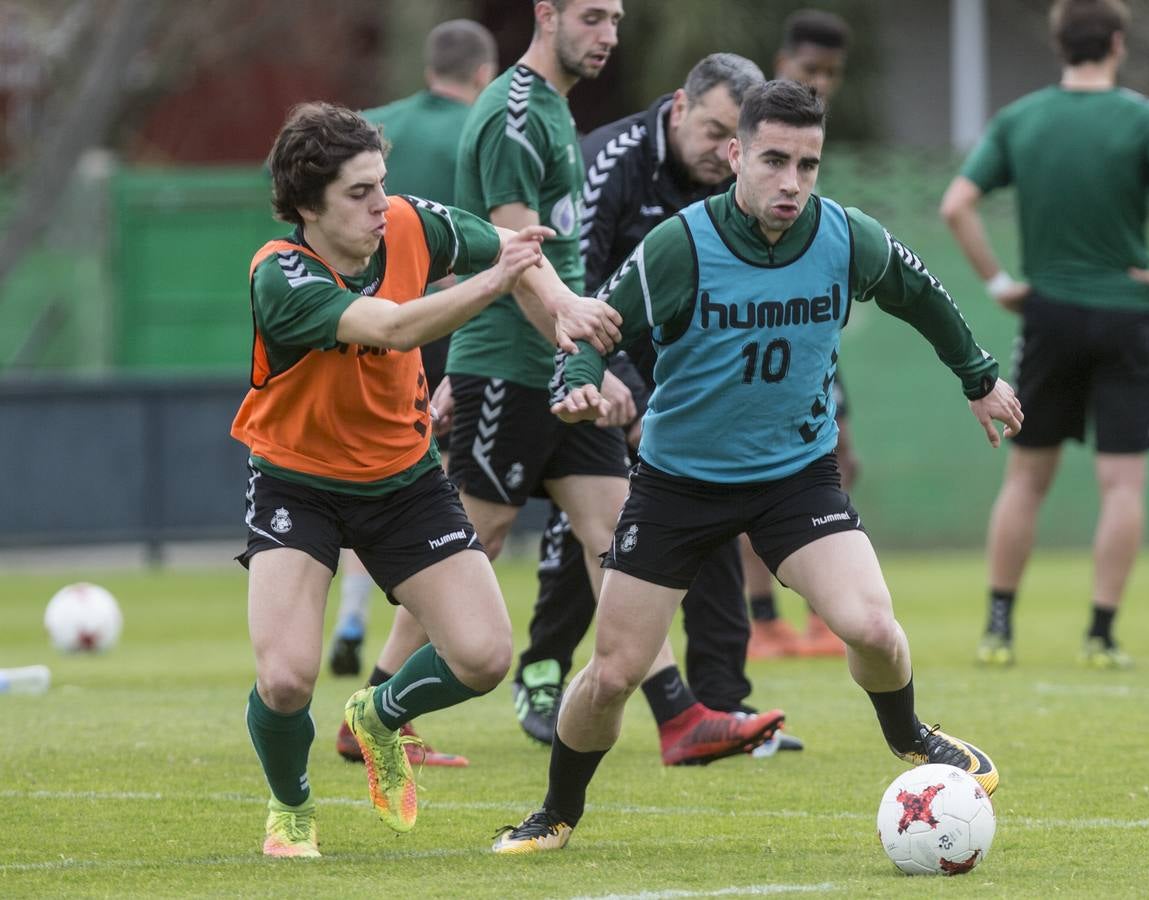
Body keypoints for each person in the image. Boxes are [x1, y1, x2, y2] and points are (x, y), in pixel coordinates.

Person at [492, 79, 1021, 854]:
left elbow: (919, 293)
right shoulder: (682, 243)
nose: (791, 182)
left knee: (873, 626)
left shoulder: (844, 235)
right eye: (773, 160)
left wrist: (980, 378)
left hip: (794, 480)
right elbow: (594, 328)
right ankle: (556, 812)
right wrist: (575, 385)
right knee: (612, 675)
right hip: (677, 484)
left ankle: (909, 734)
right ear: (735, 155)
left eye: (807, 164)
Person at [233, 100, 617, 858]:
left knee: (482, 657)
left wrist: (563, 304)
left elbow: (514, 245)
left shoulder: (408, 222)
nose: (382, 205)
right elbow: (392, 326)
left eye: (382, 183)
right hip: (296, 482)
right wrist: (497, 284)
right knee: (284, 681)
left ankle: (378, 713)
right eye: (358, 192)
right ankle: (292, 807)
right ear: (308, 206)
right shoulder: (280, 275)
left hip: (402, 480)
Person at [508, 53, 794, 764]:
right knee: (600, 528)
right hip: (587, 359)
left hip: (688, 384)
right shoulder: (609, 164)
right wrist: (614, 378)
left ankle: (725, 701)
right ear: (677, 106)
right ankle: (542, 672)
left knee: (719, 515)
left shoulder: (745, 182)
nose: (721, 151)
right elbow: (579, 279)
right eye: (712, 130)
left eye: (738, 139)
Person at [940, 0, 1149, 669]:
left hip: (1049, 315)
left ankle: (999, 629)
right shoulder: (1147, 120)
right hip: (1129, 315)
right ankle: (1100, 634)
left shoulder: (1020, 119)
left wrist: (1002, 283)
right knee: (1121, 485)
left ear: (1059, 43)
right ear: (1117, 43)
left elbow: (956, 205)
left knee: (1027, 479)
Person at [326, 18, 499, 771]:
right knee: (464, 522)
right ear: (483, 72)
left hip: (350, 342)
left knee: (387, 495)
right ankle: (380, 706)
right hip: (445, 345)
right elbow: (471, 248)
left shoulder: (376, 129)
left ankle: (359, 632)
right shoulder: (485, 129)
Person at [745, 7, 856, 660]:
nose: (822, 82)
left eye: (831, 73)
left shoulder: (813, 136)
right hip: (755, 323)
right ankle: (762, 619)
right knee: (750, 467)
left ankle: (820, 614)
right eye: (811, 69)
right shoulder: (762, 125)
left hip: (813, 327)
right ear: (784, 63)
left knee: (836, 454)